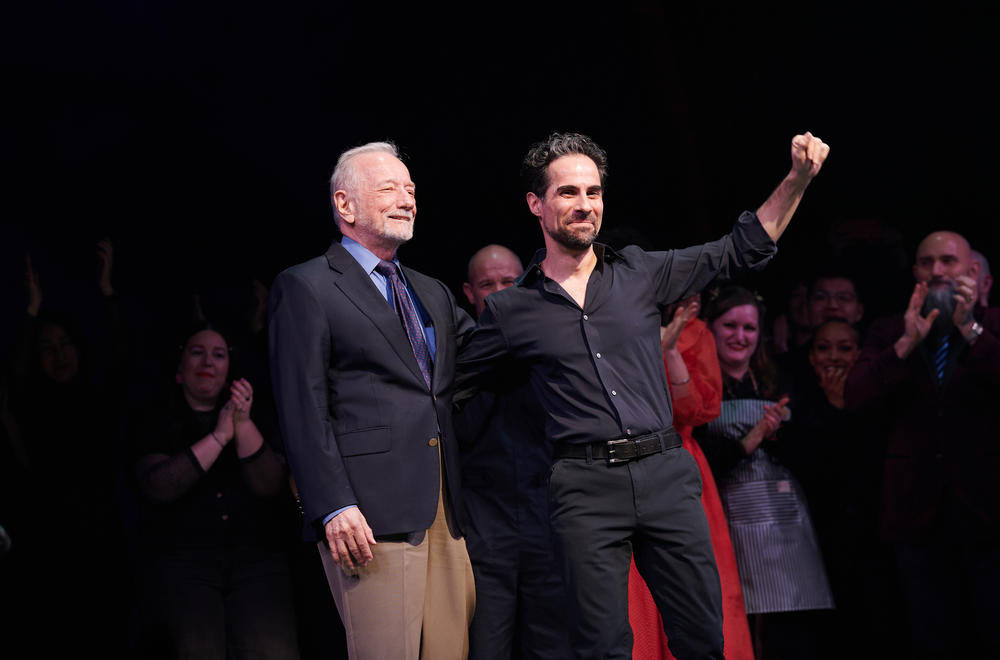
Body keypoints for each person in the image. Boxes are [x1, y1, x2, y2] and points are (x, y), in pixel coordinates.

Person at [456, 130, 829, 659]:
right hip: (583, 487)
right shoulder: (511, 311)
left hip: (664, 476)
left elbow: (741, 247)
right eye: (568, 193)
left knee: (702, 639)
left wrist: (797, 180)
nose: (585, 205)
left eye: (593, 192)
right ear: (536, 204)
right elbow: (449, 389)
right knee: (603, 646)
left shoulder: (639, 272)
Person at [268, 141, 476, 660]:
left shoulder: (430, 291)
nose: (406, 199)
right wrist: (332, 503)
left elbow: (484, 359)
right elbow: (301, 407)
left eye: (410, 189)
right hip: (368, 515)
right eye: (389, 188)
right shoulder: (307, 286)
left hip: (444, 509)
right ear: (345, 205)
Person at [846, 230, 1000, 659]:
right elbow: (853, 396)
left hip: (988, 512)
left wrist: (969, 328)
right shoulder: (889, 328)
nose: (937, 271)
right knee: (931, 636)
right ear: (914, 271)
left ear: (971, 271)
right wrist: (905, 344)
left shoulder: (995, 324)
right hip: (915, 514)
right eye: (927, 262)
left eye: (947, 262)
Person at [130, 321, 299, 659]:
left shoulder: (253, 414)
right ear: (180, 368)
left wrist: (242, 423)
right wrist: (220, 436)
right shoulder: (155, 417)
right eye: (198, 353)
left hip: (255, 563)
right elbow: (158, 485)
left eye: (218, 355)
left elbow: (269, 485)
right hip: (186, 565)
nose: (208, 363)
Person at [698, 285, 834, 660]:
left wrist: (779, 437)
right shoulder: (697, 386)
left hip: (785, 522)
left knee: (790, 631)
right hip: (726, 519)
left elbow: (817, 459)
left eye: (750, 329)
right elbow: (696, 461)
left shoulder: (781, 383)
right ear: (708, 328)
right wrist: (750, 439)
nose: (740, 337)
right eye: (730, 326)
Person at [457, 243, 571, 660]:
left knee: (552, 647)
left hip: (549, 522)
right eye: (489, 285)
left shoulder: (552, 347)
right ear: (469, 293)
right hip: (485, 528)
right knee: (487, 646)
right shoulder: (457, 354)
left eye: (510, 282)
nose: (501, 292)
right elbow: (458, 430)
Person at [627, 295, 754, 660]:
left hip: (679, 459)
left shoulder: (697, 334)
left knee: (690, 582)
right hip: (628, 462)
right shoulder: (619, 324)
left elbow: (698, 410)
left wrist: (669, 351)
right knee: (636, 590)